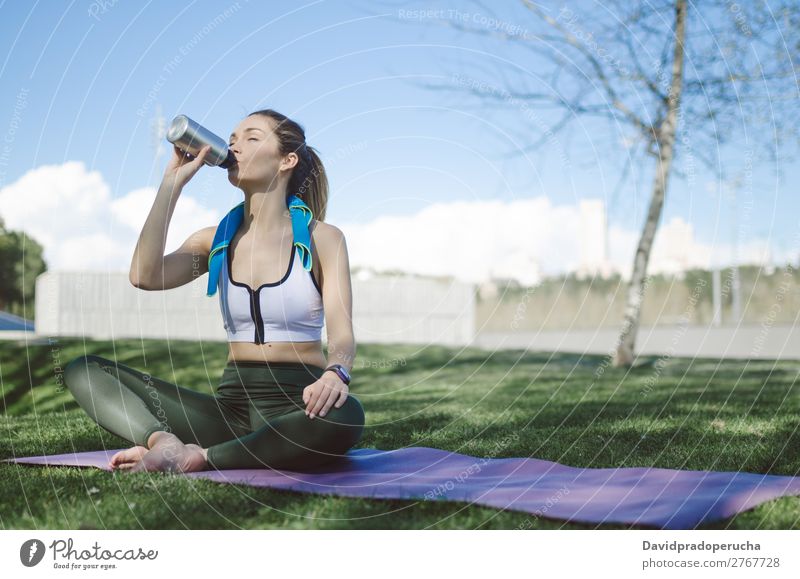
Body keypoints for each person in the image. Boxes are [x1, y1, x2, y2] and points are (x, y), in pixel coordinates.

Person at [62, 109, 365, 473]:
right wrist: (172, 183)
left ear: (287, 160)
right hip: (229, 412)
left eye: (252, 137)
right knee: (84, 369)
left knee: (346, 416)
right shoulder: (212, 242)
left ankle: (202, 457)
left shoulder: (323, 239)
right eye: (233, 138)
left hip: (300, 405)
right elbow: (144, 275)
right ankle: (162, 442)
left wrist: (336, 373)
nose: (235, 144)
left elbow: (342, 335)